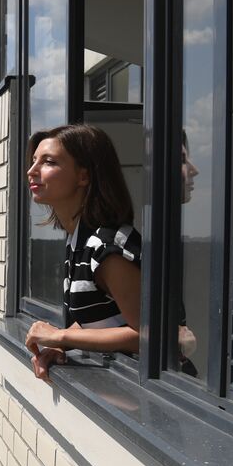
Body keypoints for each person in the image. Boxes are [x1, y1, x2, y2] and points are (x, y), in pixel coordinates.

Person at [23, 124, 141, 381]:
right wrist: (61, 345)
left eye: (48, 162)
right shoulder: (80, 239)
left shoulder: (107, 248)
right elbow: (103, 321)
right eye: (34, 161)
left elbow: (151, 336)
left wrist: (61, 336)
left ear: (84, 176)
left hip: (156, 400)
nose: (32, 171)